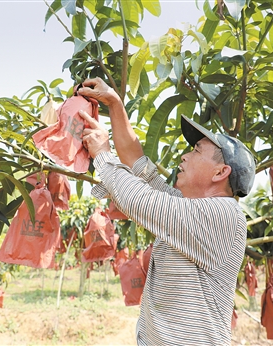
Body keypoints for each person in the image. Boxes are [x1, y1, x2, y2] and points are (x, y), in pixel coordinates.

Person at [77, 77, 256, 346]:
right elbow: (137, 162)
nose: (184, 156)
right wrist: (114, 103)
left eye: (196, 151)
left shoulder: (225, 215)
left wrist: (103, 154)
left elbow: (140, 200)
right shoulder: (187, 210)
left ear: (221, 172)